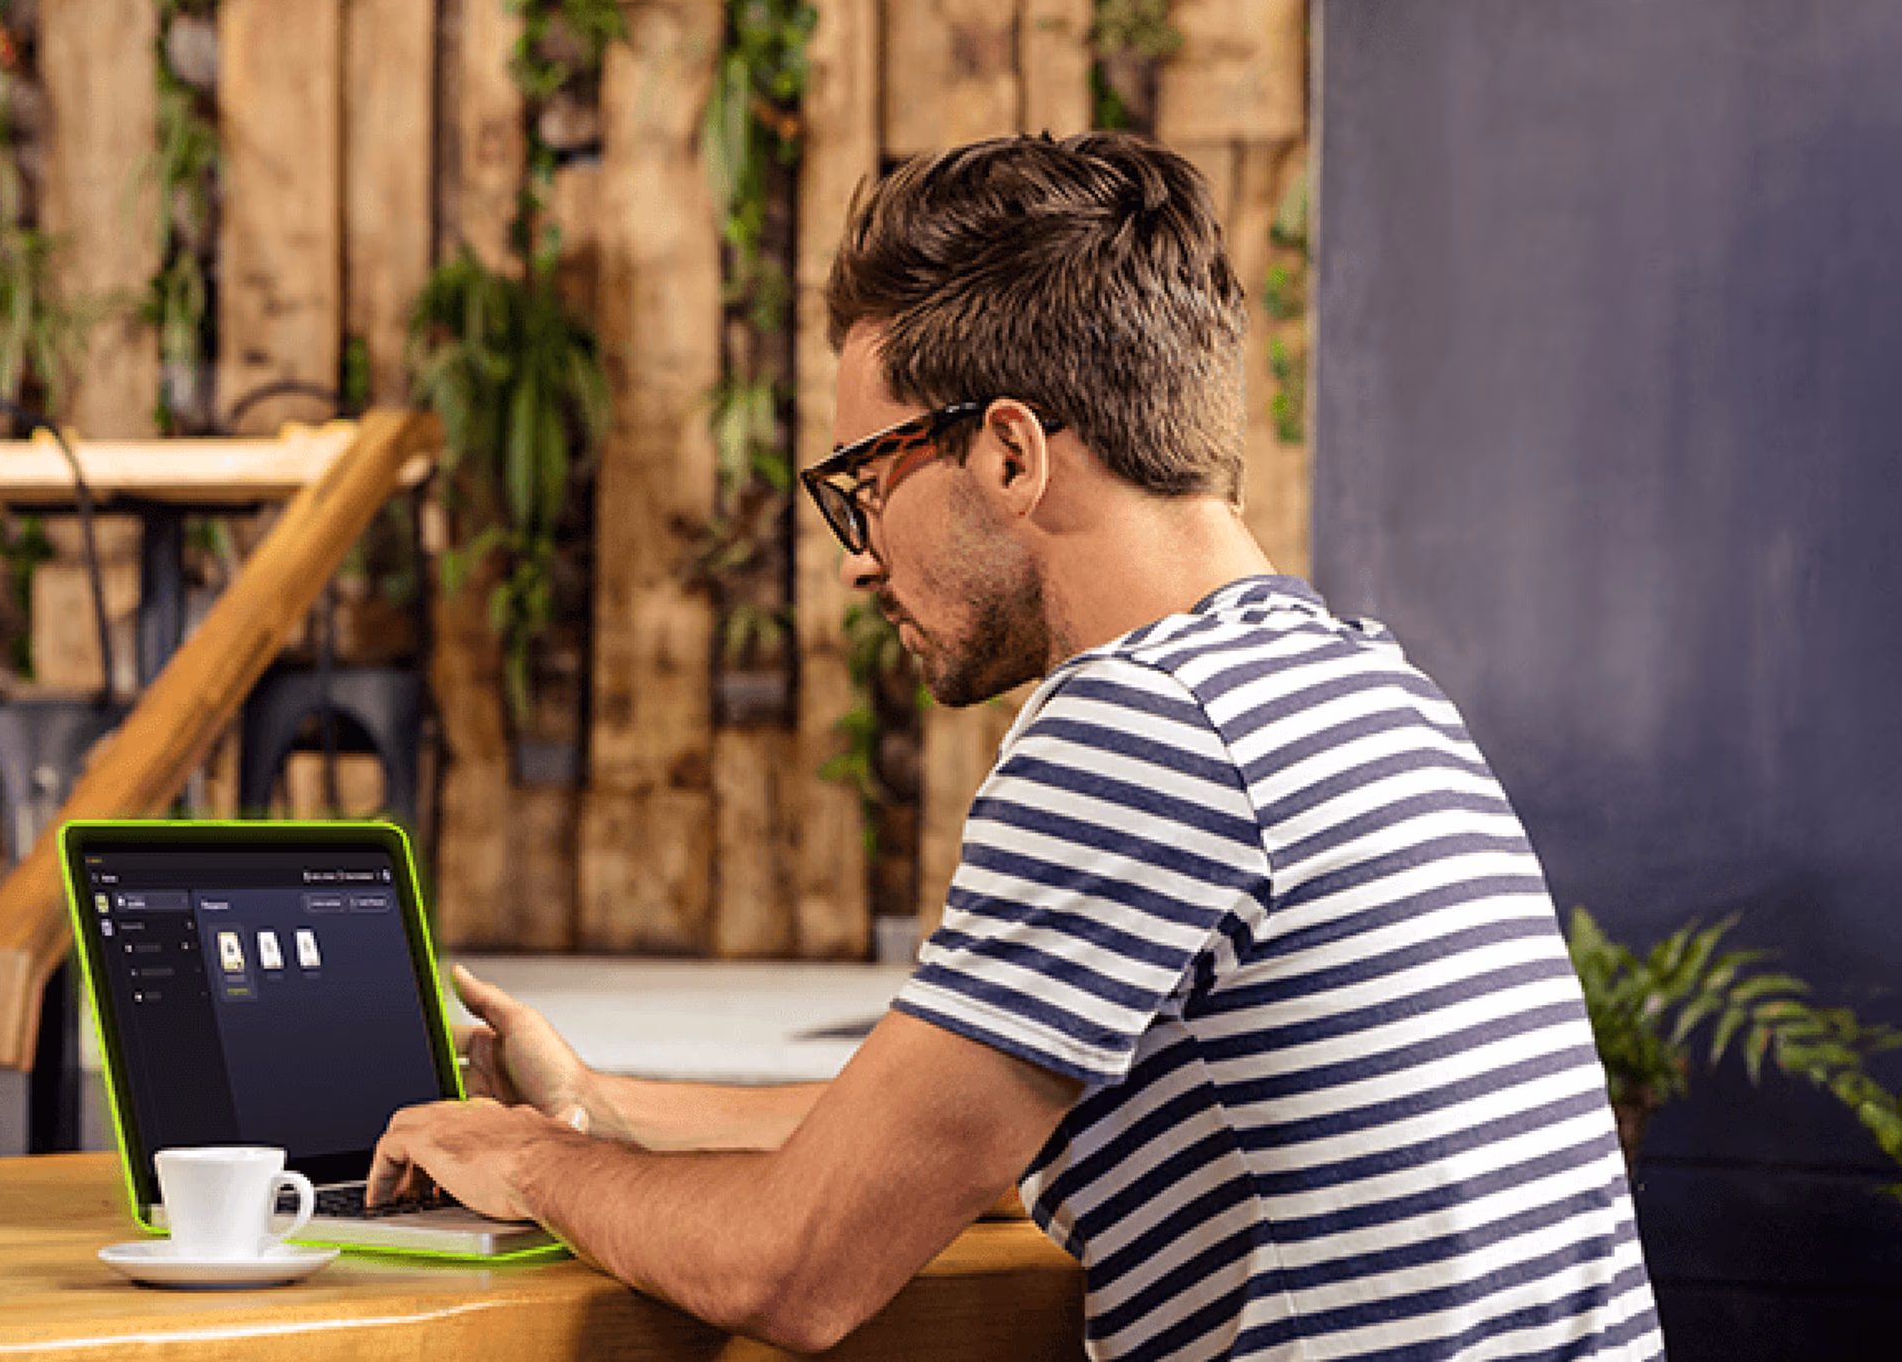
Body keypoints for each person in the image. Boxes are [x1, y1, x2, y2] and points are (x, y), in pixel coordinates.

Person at [370, 131, 1660, 1362]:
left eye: (866, 481)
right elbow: (949, 1136)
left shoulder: (1144, 728)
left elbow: (796, 1268)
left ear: (1008, 451)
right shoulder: (1353, 683)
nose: (860, 556)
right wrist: (590, 1103)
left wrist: (534, 1169)